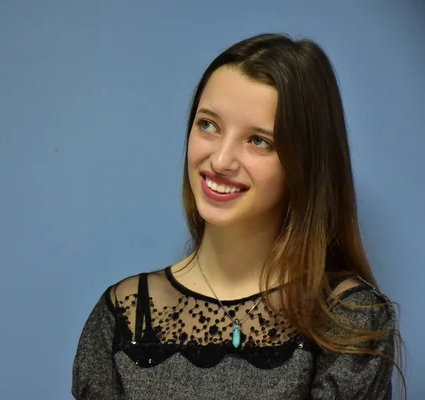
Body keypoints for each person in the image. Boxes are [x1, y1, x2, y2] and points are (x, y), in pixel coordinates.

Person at [71, 33, 404, 399]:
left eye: (258, 140)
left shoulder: (348, 319)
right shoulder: (121, 316)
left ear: (304, 165)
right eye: (208, 125)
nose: (220, 160)